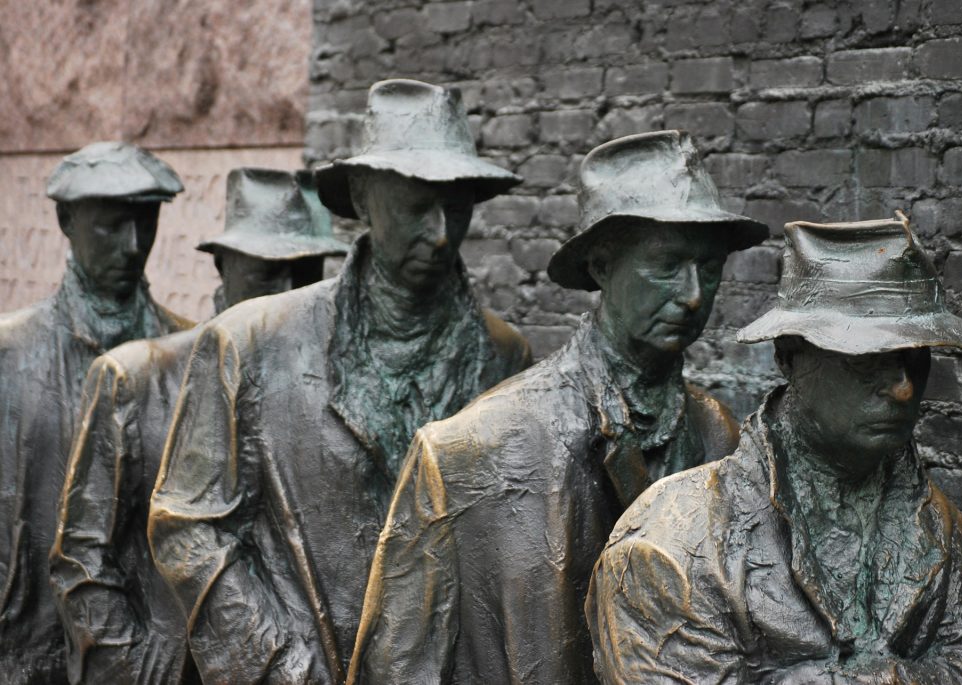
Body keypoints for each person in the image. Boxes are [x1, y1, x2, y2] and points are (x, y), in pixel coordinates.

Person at [349, 130, 769, 684]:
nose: (693, 294)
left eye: (710, 268)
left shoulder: (718, 435)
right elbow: (397, 667)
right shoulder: (469, 450)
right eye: (667, 264)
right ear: (600, 265)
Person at [147, 79, 533, 684]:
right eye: (415, 205)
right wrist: (279, 665)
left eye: (456, 208)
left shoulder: (504, 356)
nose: (439, 234)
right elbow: (188, 529)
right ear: (361, 194)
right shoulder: (249, 343)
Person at [586, 216, 962, 684]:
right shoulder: (674, 543)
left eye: (915, 356)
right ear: (789, 355)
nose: (902, 389)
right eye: (867, 359)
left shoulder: (933, 519)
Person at [49, 167, 348, 685]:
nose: (285, 292)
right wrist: (131, 666)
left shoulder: (325, 391)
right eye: (264, 273)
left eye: (303, 272)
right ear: (223, 266)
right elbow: (81, 557)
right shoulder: (137, 377)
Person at [0, 142, 189, 684]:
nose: (133, 247)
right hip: (26, 656)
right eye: (111, 226)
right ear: (66, 221)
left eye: (145, 224)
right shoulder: (9, 356)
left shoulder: (188, 354)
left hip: (143, 665)